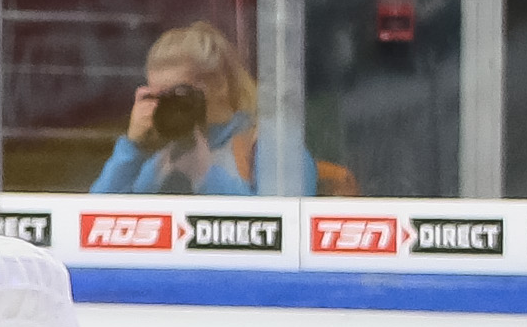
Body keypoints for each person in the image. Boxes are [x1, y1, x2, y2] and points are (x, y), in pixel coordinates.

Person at [89, 19, 351, 197]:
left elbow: (285, 234)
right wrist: (132, 148)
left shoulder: (270, 147)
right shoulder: (160, 158)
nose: (169, 106)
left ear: (218, 86)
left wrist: (206, 175)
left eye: (177, 94)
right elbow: (92, 224)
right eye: (157, 98)